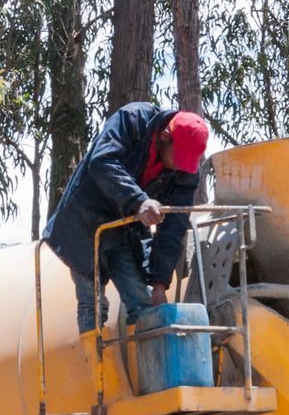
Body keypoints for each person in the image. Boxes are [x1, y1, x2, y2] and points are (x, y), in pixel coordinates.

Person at [44, 102, 210, 334]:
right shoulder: (132, 119)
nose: (179, 167)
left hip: (123, 231)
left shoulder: (186, 171)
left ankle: (147, 364)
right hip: (82, 224)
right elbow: (102, 161)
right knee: (93, 305)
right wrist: (138, 201)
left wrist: (160, 284)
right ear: (164, 136)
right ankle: (96, 365)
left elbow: (174, 227)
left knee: (142, 305)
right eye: (177, 159)